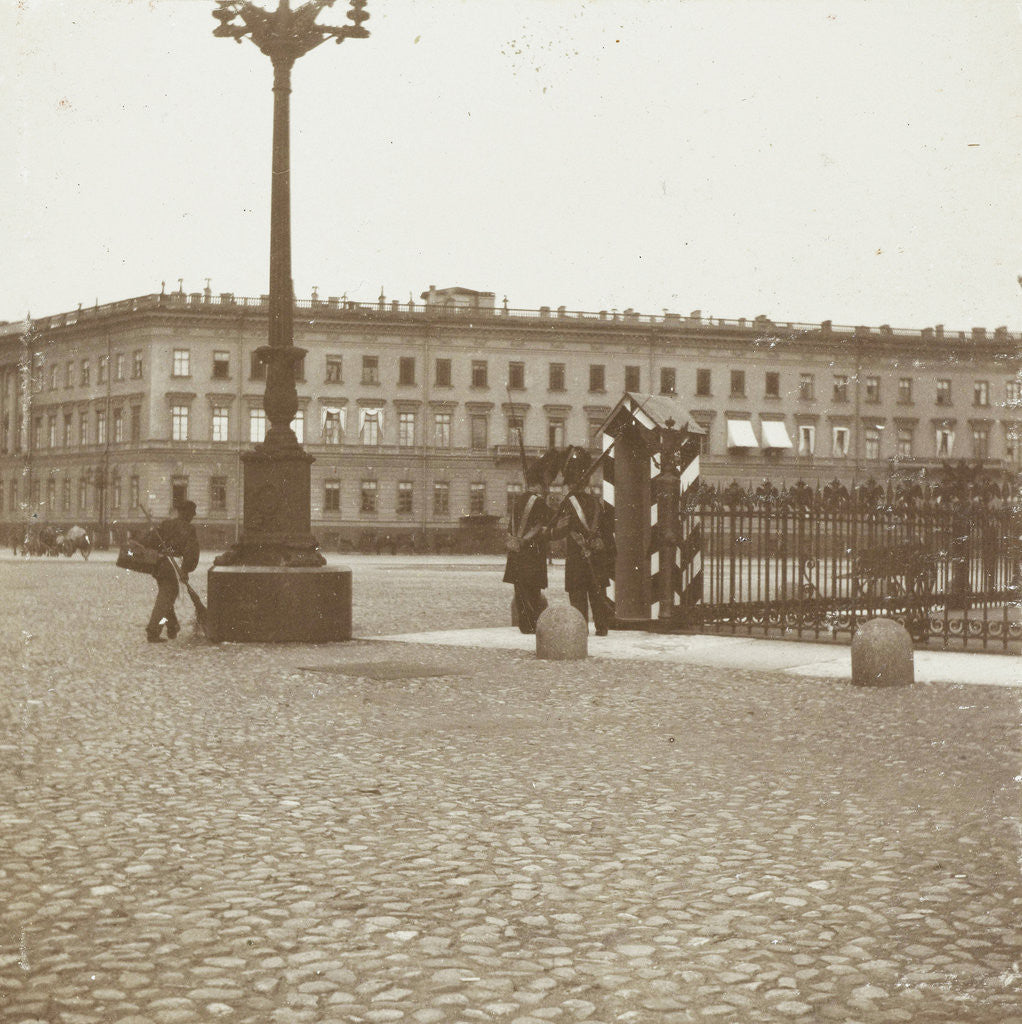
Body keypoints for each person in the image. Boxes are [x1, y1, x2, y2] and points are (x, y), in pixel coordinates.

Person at [551, 446, 614, 635]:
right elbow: (606, 532)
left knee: (578, 597)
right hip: (596, 557)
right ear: (586, 481)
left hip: (577, 559)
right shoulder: (596, 502)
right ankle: (602, 628)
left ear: (569, 482)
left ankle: (580, 631)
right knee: (597, 593)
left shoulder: (566, 504)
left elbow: (555, 533)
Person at [503, 458, 554, 634]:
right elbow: (550, 521)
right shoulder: (539, 502)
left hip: (517, 553)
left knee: (520, 590)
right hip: (532, 554)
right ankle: (532, 624)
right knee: (533, 590)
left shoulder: (518, 500)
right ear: (540, 484)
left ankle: (524, 624)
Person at [143, 500, 199, 643]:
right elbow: (191, 552)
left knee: (167, 597)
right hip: (172, 568)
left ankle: (172, 625)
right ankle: (153, 631)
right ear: (186, 513)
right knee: (165, 600)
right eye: (192, 513)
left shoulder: (166, 524)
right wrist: (186, 569)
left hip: (160, 565)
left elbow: (150, 541)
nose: (194, 515)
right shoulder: (189, 529)